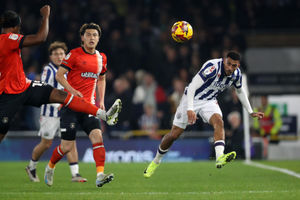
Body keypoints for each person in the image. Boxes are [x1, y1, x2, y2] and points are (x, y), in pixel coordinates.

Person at [0, 7, 121, 141]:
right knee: (3, 131)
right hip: (8, 94)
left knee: (62, 95)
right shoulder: (8, 39)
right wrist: (45, 16)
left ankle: (105, 115)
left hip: (25, 86)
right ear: (16, 27)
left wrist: (71, 89)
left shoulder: (6, 41)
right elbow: (41, 37)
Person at [144, 51, 264, 178]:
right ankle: (156, 161)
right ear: (224, 60)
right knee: (174, 134)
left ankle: (219, 157)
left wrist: (250, 111)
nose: (230, 68)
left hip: (209, 101)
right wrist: (190, 109)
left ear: (237, 66)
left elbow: (240, 91)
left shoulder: (236, 75)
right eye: (228, 64)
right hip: (191, 99)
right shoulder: (212, 67)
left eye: (233, 66)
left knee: (219, 122)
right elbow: (191, 87)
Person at [44, 22, 118, 188]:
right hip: (70, 106)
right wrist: (71, 90)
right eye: (89, 35)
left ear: (98, 39)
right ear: (82, 38)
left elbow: (102, 78)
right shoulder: (74, 55)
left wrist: (101, 101)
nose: (92, 38)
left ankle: (100, 175)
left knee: (97, 138)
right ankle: (50, 167)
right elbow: (59, 75)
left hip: (89, 107)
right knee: (66, 147)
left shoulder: (101, 58)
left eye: (95, 35)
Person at [25, 41, 87, 183]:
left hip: (65, 112)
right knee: (46, 144)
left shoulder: (67, 70)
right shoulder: (48, 70)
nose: (59, 56)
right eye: (56, 54)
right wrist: (57, 104)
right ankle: (31, 166)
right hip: (50, 113)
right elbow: (46, 91)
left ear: (65, 55)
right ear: (51, 56)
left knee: (70, 142)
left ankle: (75, 174)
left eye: (61, 54)